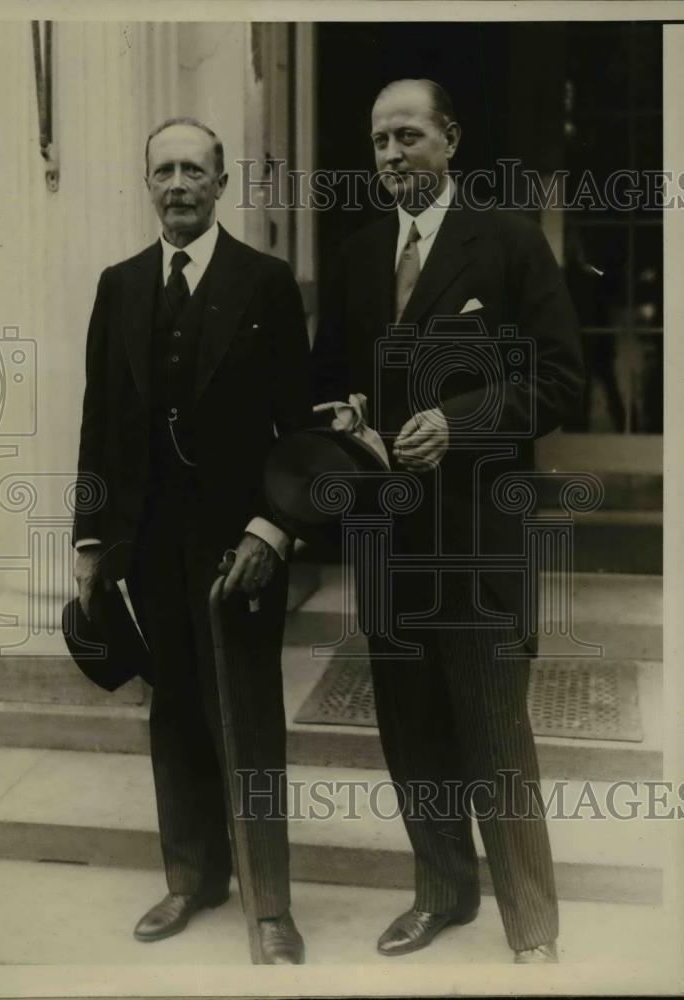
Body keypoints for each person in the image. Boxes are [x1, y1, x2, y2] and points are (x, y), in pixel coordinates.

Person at [312, 79, 584, 964]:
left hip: (476, 541)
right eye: (378, 141)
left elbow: (558, 382)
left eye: (407, 137)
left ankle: (533, 933)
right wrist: (344, 420)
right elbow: (326, 388)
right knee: (412, 731)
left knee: (496, 737)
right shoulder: (355, 258)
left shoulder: (507, 244)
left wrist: (459, 422)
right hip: (388, 544)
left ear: (450, 141)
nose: (390, 156)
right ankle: (441, 892)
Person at [72, 117, 311, 964]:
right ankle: (190, 877)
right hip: (148, 542)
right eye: (163, 170)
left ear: (219, 183)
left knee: (244, 713)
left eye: (193, 170)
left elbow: (301, 429)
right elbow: (99, 422)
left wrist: (272, 528)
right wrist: (91, 541)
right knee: (173, 710)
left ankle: (271, 903)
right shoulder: (120, 284)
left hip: (238, 543)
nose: (177, 184)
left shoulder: (266, 281)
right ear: (149, 183)